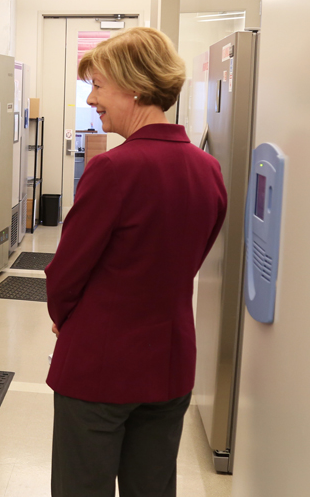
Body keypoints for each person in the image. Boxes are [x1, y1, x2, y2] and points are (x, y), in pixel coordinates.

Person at [45, 27, 227, 497]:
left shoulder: (114, 169)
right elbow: (190, 258)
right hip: (168, 363)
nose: (91, 99)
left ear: (136, 87)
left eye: (98, 85)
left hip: (98, 366)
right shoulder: (208, 171)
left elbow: (66, 272)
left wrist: (68, 321)